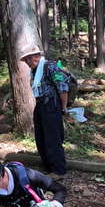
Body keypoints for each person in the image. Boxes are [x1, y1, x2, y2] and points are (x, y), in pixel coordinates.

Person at [20, 44, 70, 179]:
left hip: (52, 105)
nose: (27, 63)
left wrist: (63, 107)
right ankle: (48, 166)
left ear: (36, 57)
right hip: (41, 105)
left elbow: (62, 88)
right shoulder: (35, 71)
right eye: (25, 60)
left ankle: (59, 171)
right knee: (41, 137)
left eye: (28, 59)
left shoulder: (50, 66)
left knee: (53, 138)